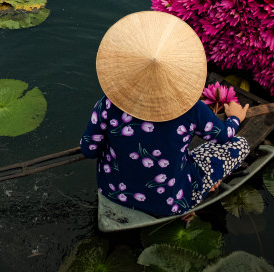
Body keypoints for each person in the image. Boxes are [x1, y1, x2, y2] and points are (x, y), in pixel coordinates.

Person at [80, 11, 251, 218]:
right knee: (240, 145)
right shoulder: (192, 110)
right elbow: (224, 136)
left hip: (113, 191)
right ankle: (205, 186)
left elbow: (89, 150)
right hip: (171, 202)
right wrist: (235, 118)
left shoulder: (108, 105)